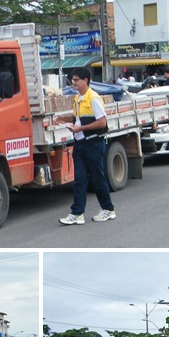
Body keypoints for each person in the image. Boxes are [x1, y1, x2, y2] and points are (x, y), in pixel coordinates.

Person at [57, 67, 116, 225]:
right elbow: (77, 117)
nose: (74, 82)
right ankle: (77, 213)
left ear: (85, 80)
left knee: (97, 178)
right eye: (73, 79)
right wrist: (62, 118)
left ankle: (108, 209)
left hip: (93, 143)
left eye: (76, 80)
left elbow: (102, 122)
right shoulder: (78, 98)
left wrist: (80, 129)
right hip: (80, 144)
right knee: (80, 180)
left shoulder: (93, 98)